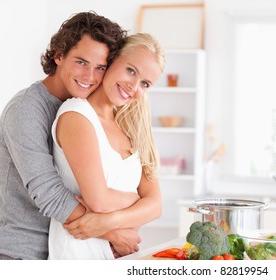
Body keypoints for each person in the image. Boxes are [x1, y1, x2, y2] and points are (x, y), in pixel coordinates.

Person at [0, 11, 139, 260]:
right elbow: (49, 194)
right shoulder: (25, 109)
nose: (89, 77)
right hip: (22, 254)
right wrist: (112, 232)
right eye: (81, 62)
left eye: (100, 67)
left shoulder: (85, 111)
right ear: (59, 55)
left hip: (71, 249)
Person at [48, 32, 164, 259]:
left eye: (145, 84)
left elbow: (156, 206)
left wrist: (108, 222)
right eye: (131, 70)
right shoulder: (77, 115)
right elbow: (99, 201)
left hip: (116, 258)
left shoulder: (131, 127)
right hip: (76, 258)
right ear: (112, 61)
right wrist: (137, 201)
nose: (134, 86)